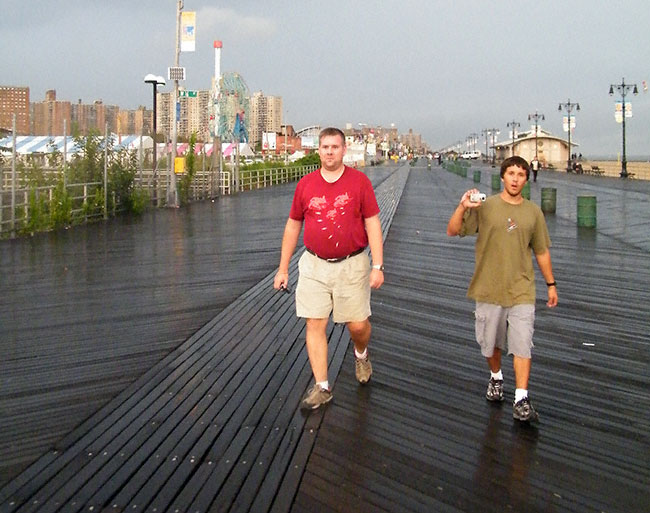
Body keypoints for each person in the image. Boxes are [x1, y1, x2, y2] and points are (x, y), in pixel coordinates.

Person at [273, 127, 385, 410]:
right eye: (325, 147)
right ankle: (322, 386)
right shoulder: (306, 185)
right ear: (318, 150)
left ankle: (361, 353)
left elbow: (372, 222)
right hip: (314, 264)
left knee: (357, 325)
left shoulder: (359, 183)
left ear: (344, 150)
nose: (330, 152)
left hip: (352, 264)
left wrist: (378, 265)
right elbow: (293, 225)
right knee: (315, 323)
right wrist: (282, 268)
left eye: (335, 147)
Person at [446, 155, 558, 422]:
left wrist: (551, 284)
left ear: (526, 179)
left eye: (521, 175)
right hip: (488, 288)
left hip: (522, 290)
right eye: (511, 174)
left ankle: (521, 398)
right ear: (503, 176)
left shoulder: (533, 212)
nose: (516, 179)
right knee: (490, 346)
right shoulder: (486, 207)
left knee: (522, 345)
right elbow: (452, 230)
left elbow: (541, 251)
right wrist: (463, 207)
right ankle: (496, 377)